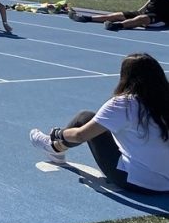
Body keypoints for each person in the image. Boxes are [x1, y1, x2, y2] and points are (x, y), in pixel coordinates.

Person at [30, 53, 169, 194]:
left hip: (137, 181)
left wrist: (58, 133)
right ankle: (56, 148)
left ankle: (51, 145)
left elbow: (80, 135)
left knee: (85, 117)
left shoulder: (124, 103)